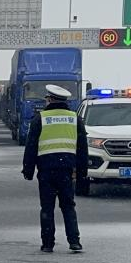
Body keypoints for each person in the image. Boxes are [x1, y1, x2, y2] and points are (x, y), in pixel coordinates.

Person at [22, 85, 88, 253]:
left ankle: (47, 244)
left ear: (49, 100)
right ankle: (74, 241)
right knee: (68, 206)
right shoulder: (75, 118)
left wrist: (28, 170)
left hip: (46, 171)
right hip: (67, 171)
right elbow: (82, 148)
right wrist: (82, 173)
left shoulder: (40, 118)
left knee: (47, 208)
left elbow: (31, 146)